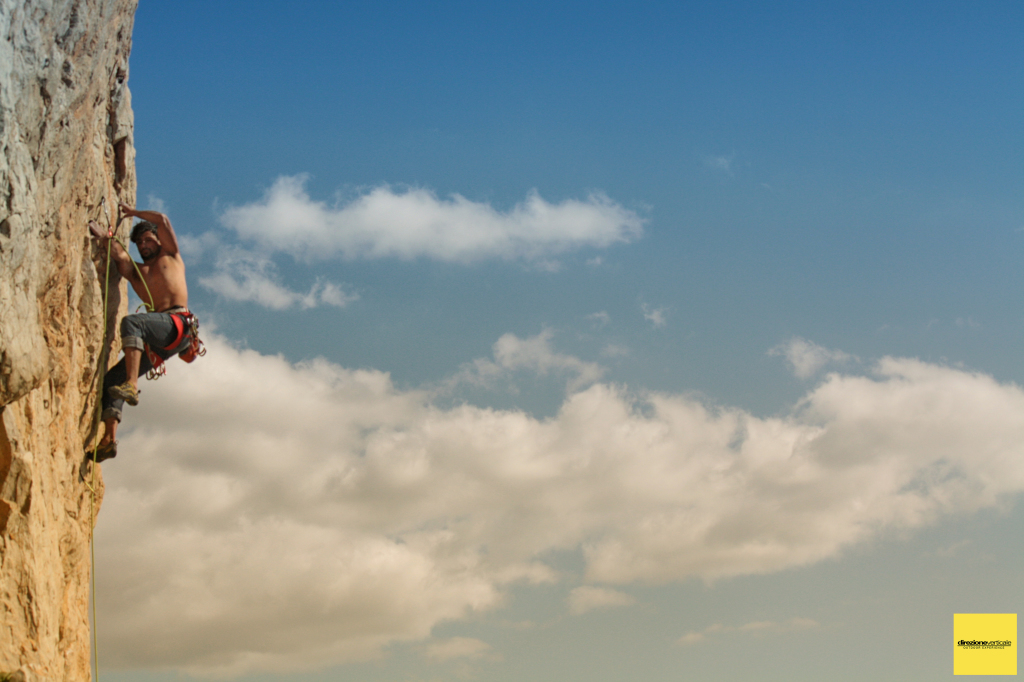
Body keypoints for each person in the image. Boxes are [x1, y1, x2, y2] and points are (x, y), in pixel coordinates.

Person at [87, 203, 191, 463]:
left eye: (148, 239)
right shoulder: (137, 272)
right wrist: (105, 237)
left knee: (132, 323)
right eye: (140, 243)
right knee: (112, 381)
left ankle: (131, 385)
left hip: (178, 323)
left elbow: (163, 220)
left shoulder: (171, 256)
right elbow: (120, 257)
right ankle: (109, 440)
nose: (144, 244)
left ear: (158, 240)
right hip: (161, 339)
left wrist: (133, 214)